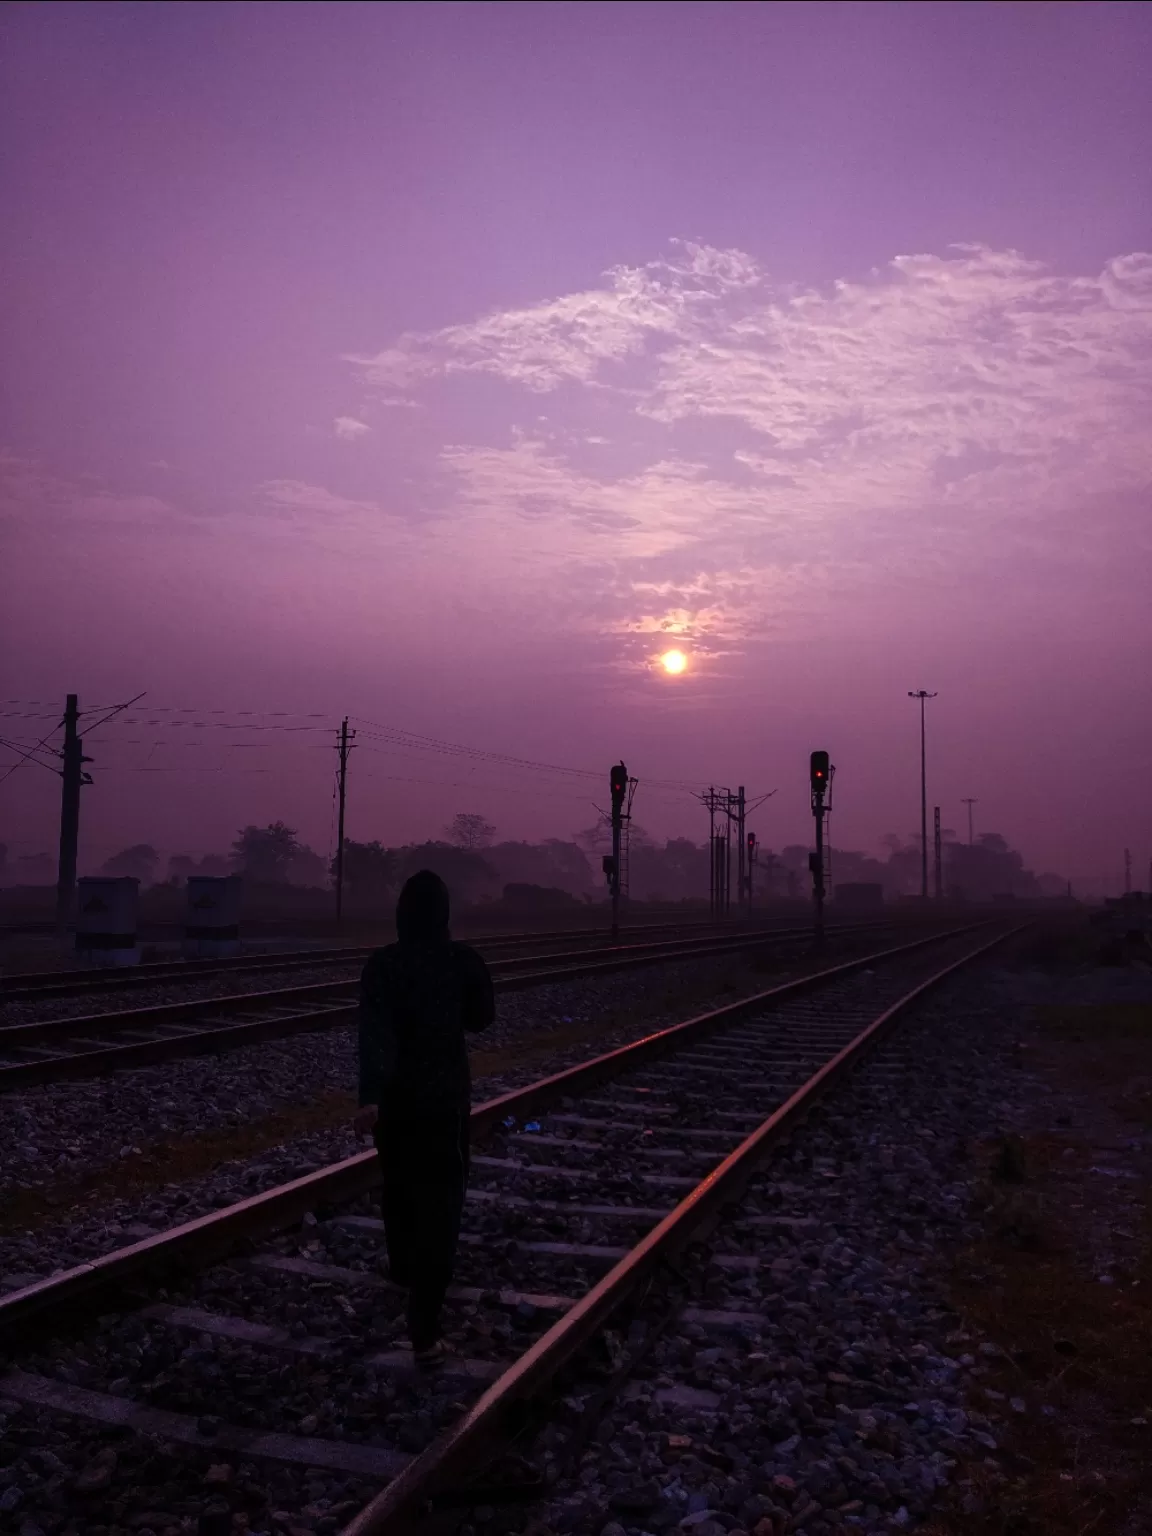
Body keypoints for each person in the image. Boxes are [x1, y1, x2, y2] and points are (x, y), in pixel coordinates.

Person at [353, 870, 495, 1364]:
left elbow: (373, 1033)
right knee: (442, 1204)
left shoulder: (382, 965)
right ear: (444, 914)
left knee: (398, 1186)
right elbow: (481, 1018)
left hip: (395, 1102)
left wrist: (369, 1096)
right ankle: (426, 1330)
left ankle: (402, 1269)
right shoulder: (461, 961)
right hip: (444, 1101)